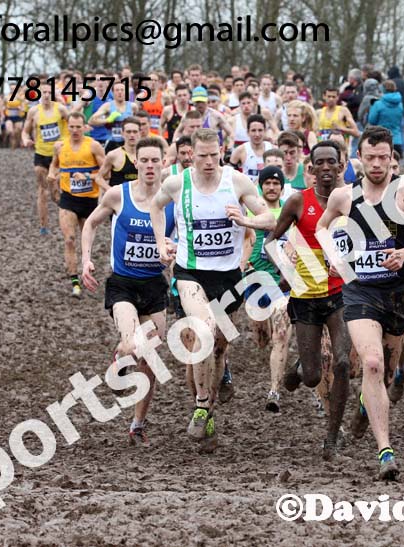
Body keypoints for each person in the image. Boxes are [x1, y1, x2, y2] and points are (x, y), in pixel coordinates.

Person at [318, 127, 404, 480]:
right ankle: (385, 452)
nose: (377, 164)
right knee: (372, 363)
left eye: (383, 157)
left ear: (392, 158)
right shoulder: (343, 198)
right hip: (360, 292)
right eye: (370, 157)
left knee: (386, 373)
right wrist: (333, 256)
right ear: (359, 159)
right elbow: (322, 227)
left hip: (399, 293)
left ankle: (368, 403)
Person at [150, 128, 275, 451]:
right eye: (202, 155)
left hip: (228, 277)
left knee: (217, 349)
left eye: (213, 154)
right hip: (190, 273)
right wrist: (161, 239)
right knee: (203, 331)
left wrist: (246, 222)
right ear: (190, 154)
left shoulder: (236, 182)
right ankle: (202, 403)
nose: (208, 161)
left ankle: (209, 408)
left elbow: (270, 218)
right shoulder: (177, 184)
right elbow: (155, 205)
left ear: (221, 151)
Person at [80, 136, 176, 444]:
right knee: (133, 344)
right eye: (144, 160)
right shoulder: (118, 195)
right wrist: (85, 261)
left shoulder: (173, 201)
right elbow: (91, 224)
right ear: (135, 162)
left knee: (149, 358)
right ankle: (119, 356)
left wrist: (174, 251)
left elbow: (185, 238)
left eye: (155, 160)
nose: (149, 166)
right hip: (122, 284)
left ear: (164, 163)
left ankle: (138, 424)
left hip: (155, 286)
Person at [264, 140, 352, 459]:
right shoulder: (298, 202)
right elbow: (270, 241)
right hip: (306, 296)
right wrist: (287, 270)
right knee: (314, 375)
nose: (327, 168)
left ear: (341, 166)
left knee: (342, 363)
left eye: (333, 162)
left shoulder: (353, 201)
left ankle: (331, 436)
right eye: (320, 164)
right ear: (311, 169)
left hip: (342, 294)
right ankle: (300, 367)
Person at [240, 166, 294, 412]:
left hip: (282, 281)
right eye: (267, 183)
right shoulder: (252, 209)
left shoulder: (291, 209)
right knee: (261, 336)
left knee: (281, 333)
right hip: (255, 279)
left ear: (282, 186)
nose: (272, 187)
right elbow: (242, 238)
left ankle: (274, 390)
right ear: (260, 186)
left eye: (276, 183)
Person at [47, 111, 106, 296]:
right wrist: (52, 174)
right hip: (68, 199)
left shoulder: (94, 146)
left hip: (89, 201)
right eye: (71, 127)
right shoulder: (60, 146)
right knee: (69, 240)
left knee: (85, 243)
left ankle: (85, 271)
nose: (74, 130)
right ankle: (75, 283)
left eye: (78, 127)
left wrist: (88, 176)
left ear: (84, 128)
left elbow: (106, 174)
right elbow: (55, 164)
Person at [22, 83, 70, 235]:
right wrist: (26, 140)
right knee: (42, 190)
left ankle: (64, 213)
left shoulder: (61, 109)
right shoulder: (34, 111)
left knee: (55, 191)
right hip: (41, 153)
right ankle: (43, 226)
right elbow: (25, 131)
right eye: (44, 92)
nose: (47, 95)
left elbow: (73, 125)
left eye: (49, 92)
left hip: (58, 154)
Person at [88, 80, 140, 151]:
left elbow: (138, 124)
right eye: (117, 90)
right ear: (113, 92)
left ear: (126, 92)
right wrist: (108, 120)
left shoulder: (133, 106)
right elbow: (91, 121)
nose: (120, 92)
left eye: (122, 90)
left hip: (128, 142)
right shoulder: (108, 106)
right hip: (111, 142)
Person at [229, 115, 274, 183]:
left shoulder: (272, 149)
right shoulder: (240, 150)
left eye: (260, 130)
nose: (257, 134)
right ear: (248, 132)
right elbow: (230, 174)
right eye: (253, 130)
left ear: (265, 131)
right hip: (248, 190)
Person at [98, 117, 141, 188]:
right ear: (122, 133)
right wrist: (110, 190)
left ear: (139, 133)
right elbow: (99, 178)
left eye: (135, 131)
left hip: (139, 197)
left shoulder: (146, 154)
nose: (132, 135)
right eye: (128, 132)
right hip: (119, 197)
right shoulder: (113, 155)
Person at [368, 81, 404, 157]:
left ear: (383, 89)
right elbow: (401, 121)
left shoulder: (378, 104)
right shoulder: (400, 105)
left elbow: (372, 120)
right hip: (397, 140)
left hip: (381, 139)